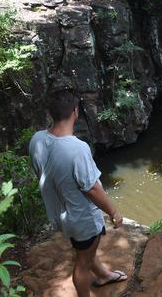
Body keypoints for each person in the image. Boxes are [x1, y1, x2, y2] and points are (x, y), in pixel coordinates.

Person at [30, 89, 127, 297]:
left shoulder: (37, 140)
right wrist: (114, 212)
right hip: (81, 218)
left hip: (61, 213)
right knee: (82, 263)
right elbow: (91, 188)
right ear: (75, 111)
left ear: (51, 113)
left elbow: (42, 173)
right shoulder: (77, 148)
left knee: (85, 251)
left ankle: (103, 275)